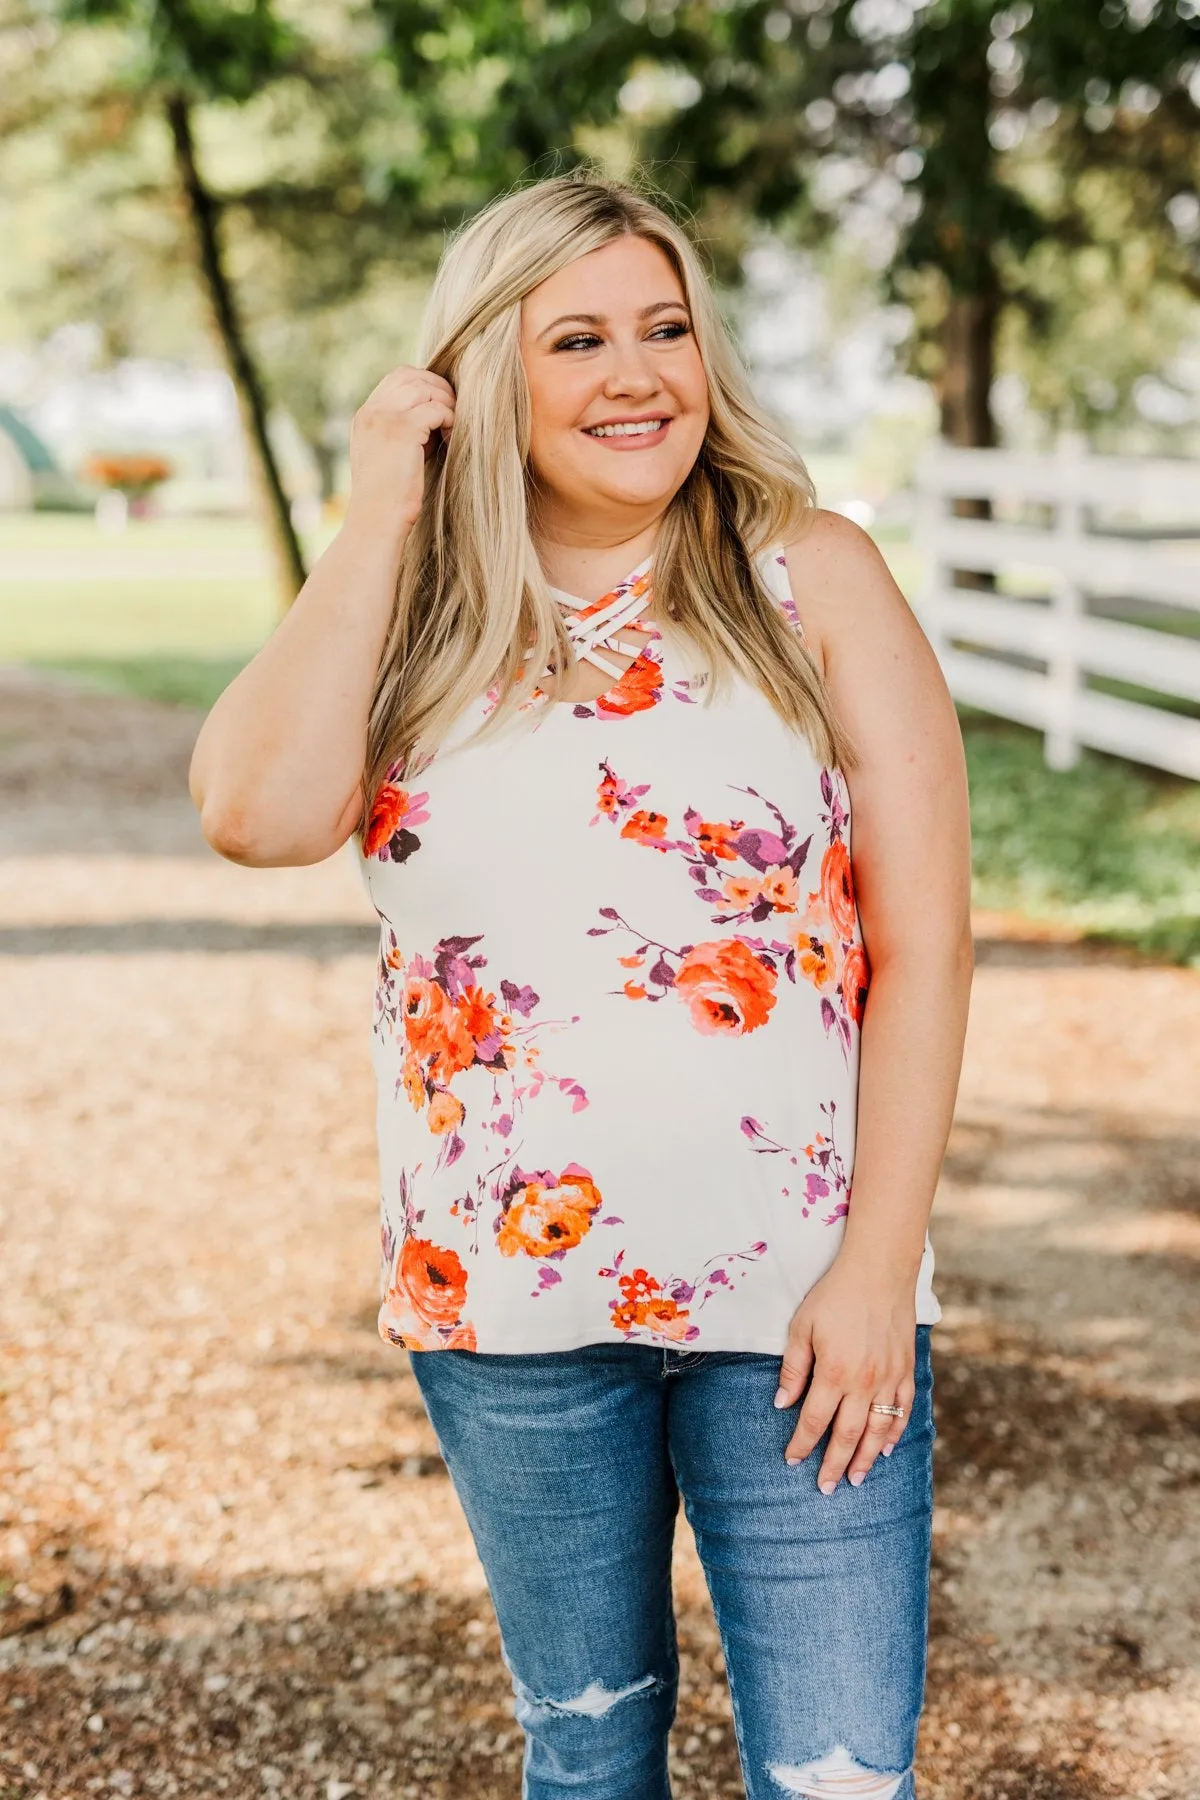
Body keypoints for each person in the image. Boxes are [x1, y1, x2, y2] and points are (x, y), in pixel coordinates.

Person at [189, 170, 973, 1800]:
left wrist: (879, 1267)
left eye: (666, 328)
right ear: (482, 376)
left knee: (842, 1778)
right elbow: (256, 815)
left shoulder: (808, 575)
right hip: (510, 1311)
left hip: (802, 1308)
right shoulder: (403, 614)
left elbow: (923, 941)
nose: (638, 375)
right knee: (590, 1748)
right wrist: (379, 510)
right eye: (578, 339)